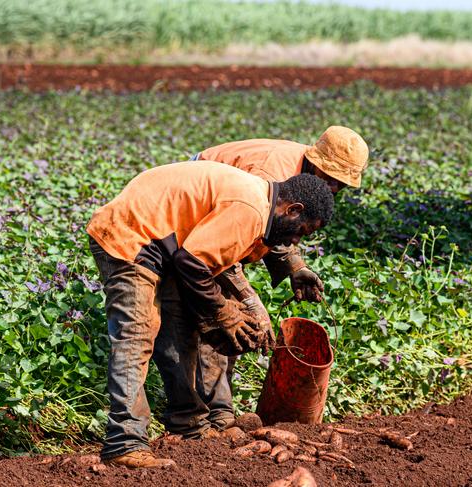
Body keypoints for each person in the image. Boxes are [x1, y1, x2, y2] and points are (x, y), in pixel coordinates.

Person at [86, 160, 334, 468]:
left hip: (163, 244)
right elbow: (192, 263)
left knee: (180, 333)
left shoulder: (258, 201)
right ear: (293, 209)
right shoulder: (251, 209)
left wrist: (232, 309)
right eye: (301, 231)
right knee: (136, 337)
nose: (294, 241)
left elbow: (206, 259)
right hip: (131, 235)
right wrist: (223, 312)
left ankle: (189, 426)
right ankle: (124, 442)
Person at [186, 126, 369, 432]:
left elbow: (275, 227)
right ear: (315, 162)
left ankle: (219, 411)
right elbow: (227, 247)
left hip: (228, 221)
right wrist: (250, 300)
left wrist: (295, 266)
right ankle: (211, 417)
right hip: (200, 212)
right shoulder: (269, 173)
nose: (334, 189)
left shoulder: (301, 178)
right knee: (219, 315)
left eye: (341, 185)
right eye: (332, 179)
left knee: (234, 317)